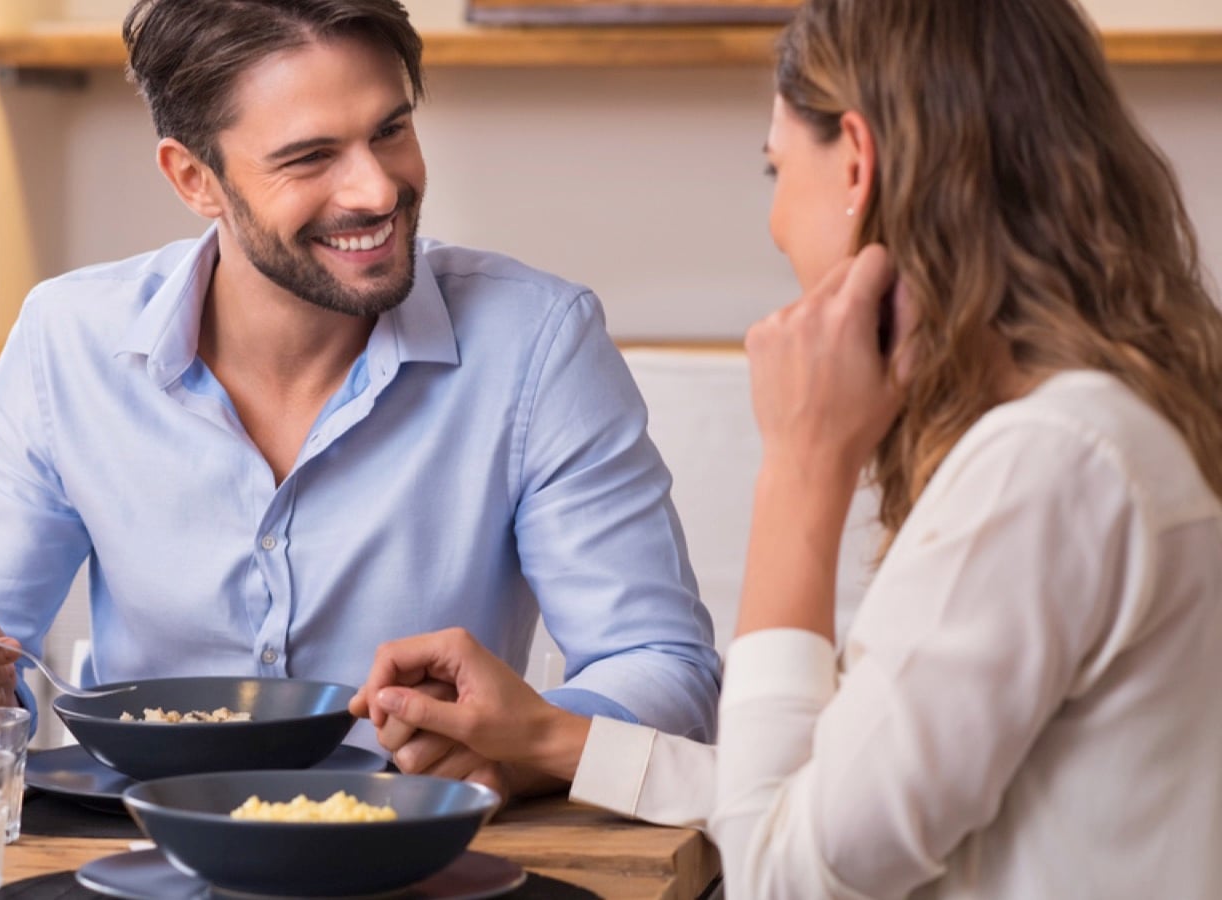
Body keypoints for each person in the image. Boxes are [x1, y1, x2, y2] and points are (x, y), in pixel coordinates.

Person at [351, 0, 1222, 894]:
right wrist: (549, 738)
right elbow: (834, 799)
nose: (775, 221)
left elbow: (784, 873)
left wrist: (801, 470)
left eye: (777, 166)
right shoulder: (1098, 434)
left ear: (857, 162)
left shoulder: (1043, 470)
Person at [0, 0, 721, 796]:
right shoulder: (67, 342)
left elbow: (664, 670)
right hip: (136, 852)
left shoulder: (537, 342)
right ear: (195, 179)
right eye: (310, 157)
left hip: (426, 855)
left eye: (390, 130)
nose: (376, 190)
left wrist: (527, 741)